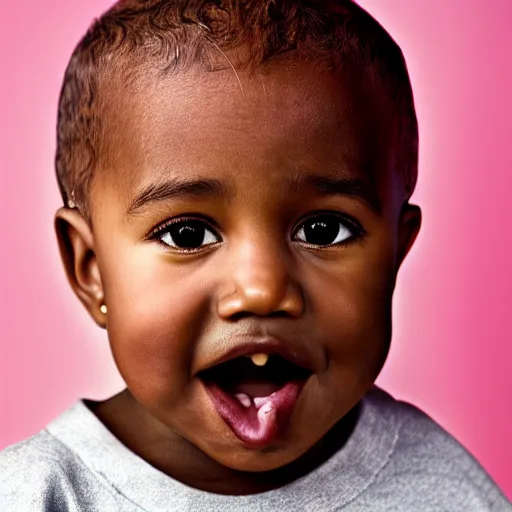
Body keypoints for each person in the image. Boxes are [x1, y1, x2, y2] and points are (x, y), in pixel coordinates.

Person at [1, 0, 509, 510]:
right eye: (187, 235)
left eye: (323, 229)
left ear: (396, 255)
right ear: (92, 271)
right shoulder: (38, 495)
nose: (263, 289)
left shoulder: (440, 489)